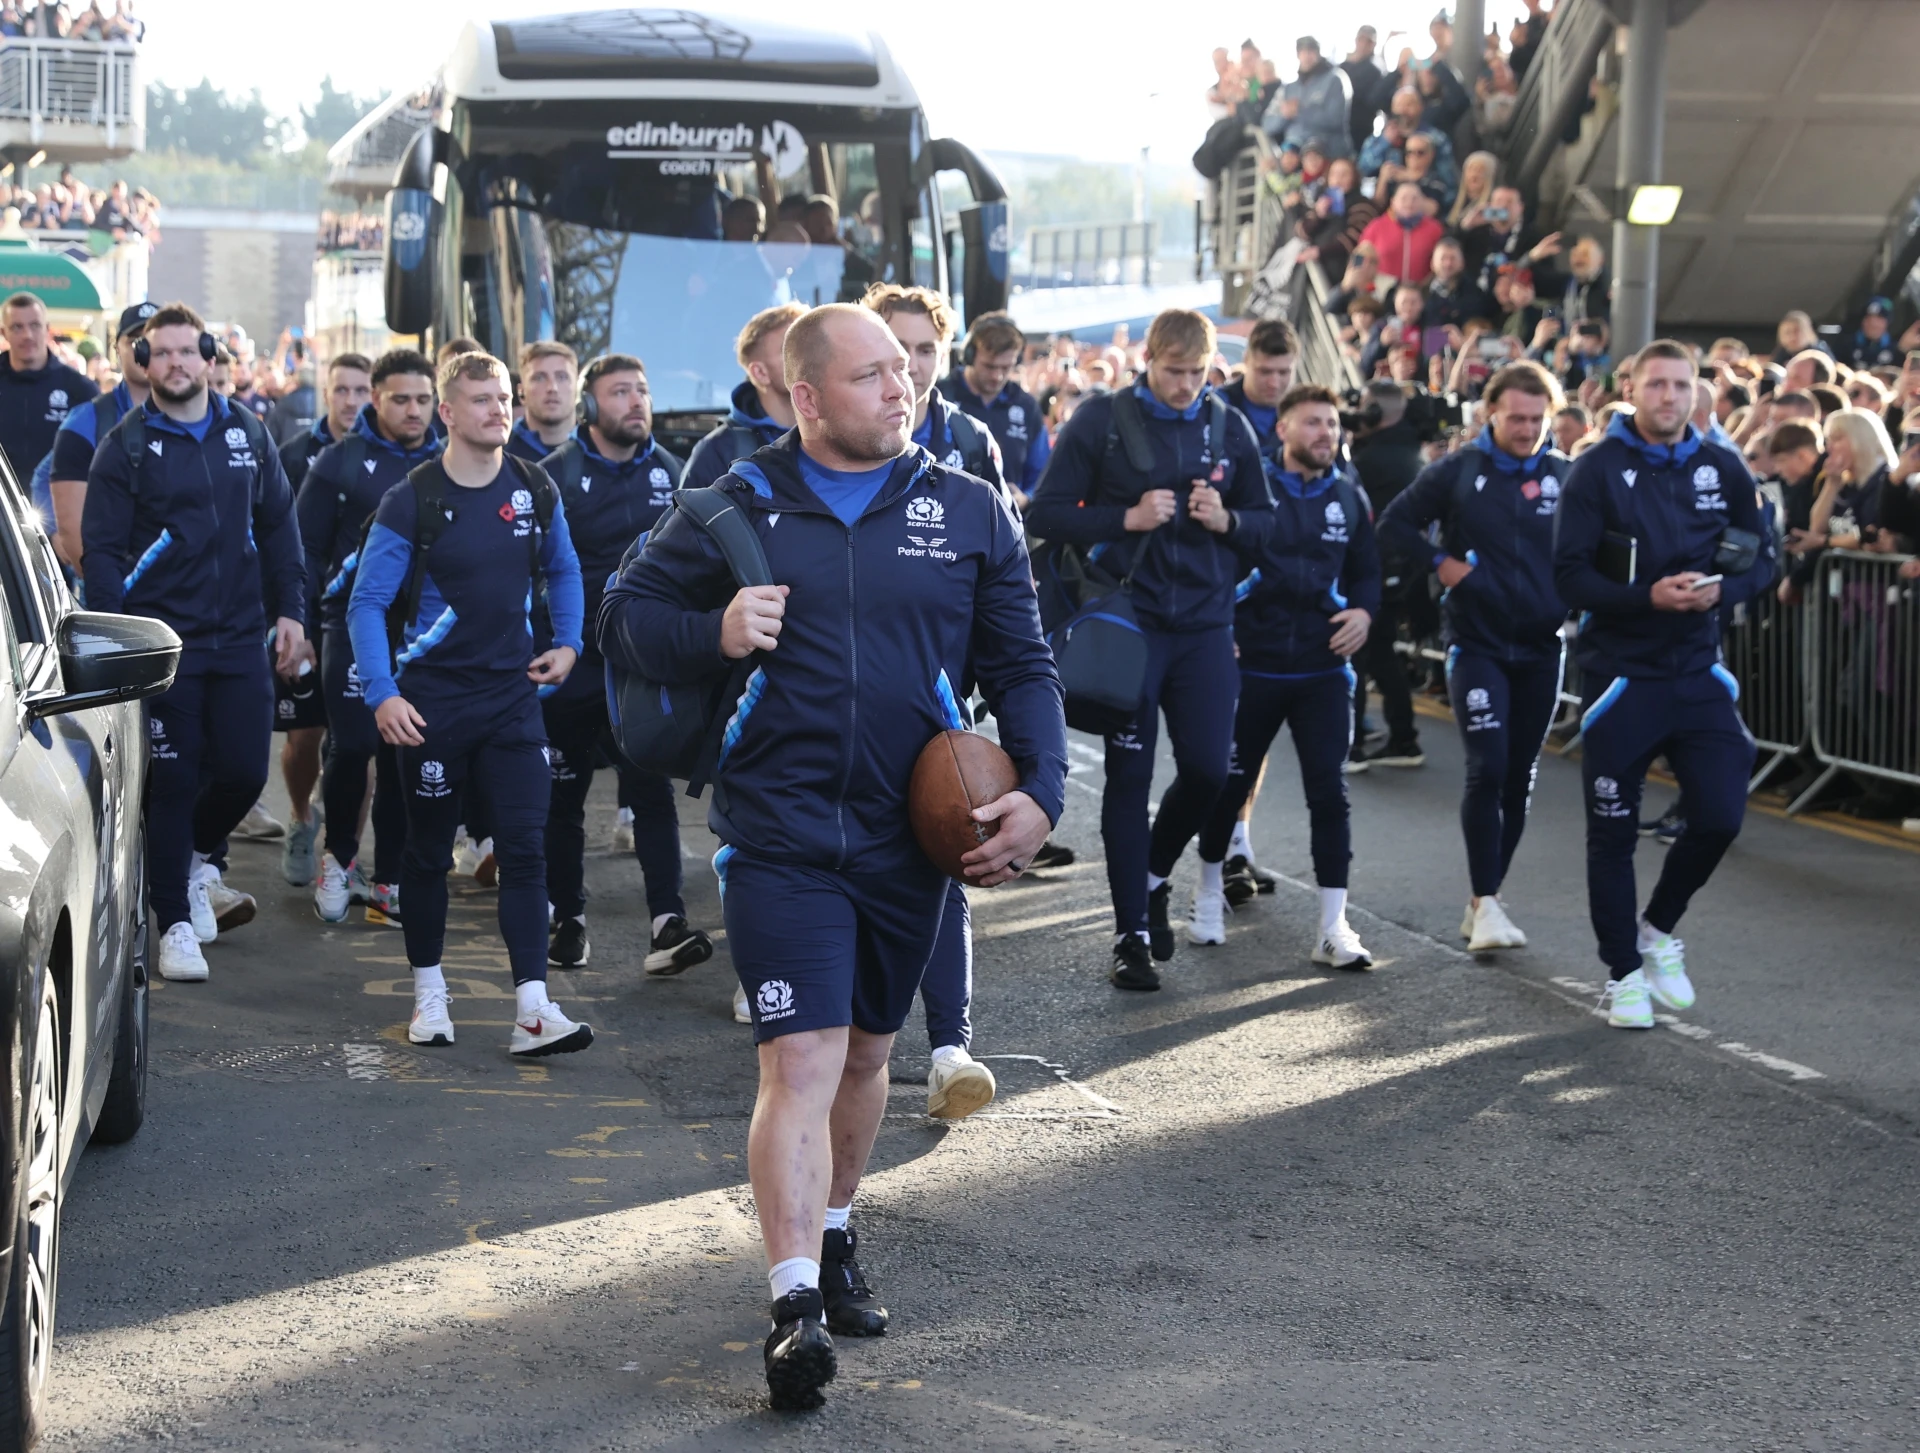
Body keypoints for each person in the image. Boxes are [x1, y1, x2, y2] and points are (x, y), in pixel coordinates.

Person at [599, 303, 1064, 1410]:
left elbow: (1027, 664)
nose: (899, 389)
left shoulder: (967, 510)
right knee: (797, 1060)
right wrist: (713, 632)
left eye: (904, 371)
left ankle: (839, 1226)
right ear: (805, 397)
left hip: (911, 838)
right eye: (869, 375)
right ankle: (794, 1303)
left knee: (865, 1056)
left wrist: (1042, 793)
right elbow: (626, 615)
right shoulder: (733, 505)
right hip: (779, 831)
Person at [346, 348, 591, 1057]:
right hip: (431, 708)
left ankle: (534, 1010)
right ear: (448, 413)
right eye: (483, 400)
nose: (500, 411)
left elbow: (564, 567)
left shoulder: (534, 487)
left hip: (513, 701)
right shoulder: (412, 498)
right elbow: (368, 604)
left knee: (524, 849)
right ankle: (431, 995)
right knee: (427, 855)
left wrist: (569, 642)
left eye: (505, 398)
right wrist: (384, 693)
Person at [1027, 309, 1272, 991]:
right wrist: (1124, 518)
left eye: (1198, 374)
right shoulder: (1102, 420)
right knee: (1128, 781)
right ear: (1149, 362)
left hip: (1203, 628)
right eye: (1174, 372)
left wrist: (1227, 519)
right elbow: (1043, 513)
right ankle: (1130, 931)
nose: (1186, 386)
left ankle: (1157, 874)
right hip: (1127, 626)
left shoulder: (1227, 425)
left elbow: (1267, 524)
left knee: (1208, 770)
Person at [1553, 340, 1778, 1029]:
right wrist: (1649, 595)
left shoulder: (1721, 463)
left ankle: (1657, 931)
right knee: (1613, 834)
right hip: (1621, 675)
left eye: (1682, 386)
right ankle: (1621, 972)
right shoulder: (1595, 470)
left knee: (1720, 813)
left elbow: (1763, 555)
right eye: (1658, 385)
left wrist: (1722, 592)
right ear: (1632, 388)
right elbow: (1568, 577)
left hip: (1698, 669)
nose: (1670, 397)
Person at [81, 303, 308, 984]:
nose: (176, 363)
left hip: (240, 636)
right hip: (161, 643)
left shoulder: (249, 432)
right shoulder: (124, 444)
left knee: (243, 770)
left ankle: (203, 858)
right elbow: (103, 553)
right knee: (174, 779)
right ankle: (175, 921)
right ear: (144, 361)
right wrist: (114, 640)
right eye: (162, 352)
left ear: (210, 358)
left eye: (188, 351)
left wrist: (291, 611)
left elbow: (278, 529)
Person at [862, 281, 1008, 1118]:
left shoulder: (970, 443)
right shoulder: (830, 443)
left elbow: (1004, 582)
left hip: (944, 704)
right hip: (845, 707)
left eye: (924, 351)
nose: (909, 368)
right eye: (894, 348)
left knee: (944, 855)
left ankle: (950, 1048)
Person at [1378, 362, 1571, 950]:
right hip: (1477, 644)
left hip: (1542, 646)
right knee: (1487, 767)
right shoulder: (1459, 471)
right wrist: (1445, 565)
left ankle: (1485, 897)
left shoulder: (1568, 475)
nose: (1528, 429)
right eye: (1517, 417)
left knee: (1519, 776)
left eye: (1538, 419)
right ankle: (1486, 902)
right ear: (1491, 412)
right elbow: (1394, 524)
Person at [536, 352, 717, 978]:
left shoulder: (671, 472)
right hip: (572, 663)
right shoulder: (554, 475)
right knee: (564, 797)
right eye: (620, 392)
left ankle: (667, 923)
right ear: (591, 405)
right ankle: (568, 920)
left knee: (651, 791)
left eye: (641, 390)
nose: (636, 402)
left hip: (638, 668)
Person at [1188, 383, 1378, 964]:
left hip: (1322, 671)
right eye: (1313, 423)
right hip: (1254, 666)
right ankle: (1207, 889)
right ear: (1284, 429)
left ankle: (1333, 926)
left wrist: (1365, 613)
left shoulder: (1349, 498)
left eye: (1332, 424)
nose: (1327, 433)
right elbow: (1215, 562)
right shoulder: (1255, 487)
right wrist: (1224, 630)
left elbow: (1367, 571)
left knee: (1330, 793)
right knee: (1229, 783)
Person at [298, 348, 441, 926]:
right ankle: (337, 858)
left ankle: (391, 881)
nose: (413, 410)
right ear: (375, 398)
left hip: (423, 633)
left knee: (403, 753)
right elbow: (303, 548)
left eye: (423, 400)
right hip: (350, 621)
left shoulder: (450, 463)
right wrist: (300, 626)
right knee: (353, 745)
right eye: (401, 399)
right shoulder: (339, 461)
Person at [1348, 380, 1428, 768]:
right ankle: (1403, 738)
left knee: (1358, 652)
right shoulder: (1411, 450)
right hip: (1401, 571)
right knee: (1380, 652)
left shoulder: (1370, 461)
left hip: (1373, 569)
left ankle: (1354, 743)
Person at [45, 300, 153, 569]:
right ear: (117, 348)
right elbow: (44, 476)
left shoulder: (202, 417)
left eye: (153, 339)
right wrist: (59, 534)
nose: (145, 349)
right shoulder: (89, 419)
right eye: (135, 339)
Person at [683, 302, 808, 492]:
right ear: (760, 373)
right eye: (790, 347)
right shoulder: (717, 452)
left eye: (809, 343)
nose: (809, 354)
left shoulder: (839, 428)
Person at [939, 311, 1050, 502]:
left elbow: (1042, 474)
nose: (997, 376)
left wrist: (1026, 498)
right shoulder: (939, 397)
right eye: (989, 366)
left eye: (1006, 367)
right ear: (969, 355)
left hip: (1005, 522)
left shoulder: (1027, 407)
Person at [0, 291, 97, 484]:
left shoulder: (79, 389)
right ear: (4, 333)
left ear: (47, 329)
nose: (27, 335)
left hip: (57, 509)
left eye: (34, 326)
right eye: (17, 327)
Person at [281, 352, 372, 491]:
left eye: (361, 391)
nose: (351, 402)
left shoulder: (390, 454)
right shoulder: (293, 454)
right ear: (325, 395)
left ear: (375, 397)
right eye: (341, 390)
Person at [1220, 318, 1298, 462]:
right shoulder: (1215, 408)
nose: (1274, 383)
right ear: (1246, 360)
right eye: (1265, 372)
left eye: (1283, 373)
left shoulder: (1312, 416)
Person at [1264, 36, 1352, 158]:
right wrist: (1284, 115)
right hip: (1295, 156)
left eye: (1311, 51)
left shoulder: (1335, 79)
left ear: (1318, 53)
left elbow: (1335, 119)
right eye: (1303, 51)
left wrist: (1300, 110)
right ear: (1298, 54)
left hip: (1327, 154)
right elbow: (1267, 124)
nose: (1307, 56)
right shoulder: (1288, 88)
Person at [1357, 183, 1446, 287]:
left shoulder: (1435, 229)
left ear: (1422, 202)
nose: (1409, 203)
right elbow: (1359, 255)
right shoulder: (1376, 227)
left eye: (1415, 199)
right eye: (1404, 198)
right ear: (1393, 202)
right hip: (1381, 290)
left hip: (1421, 291)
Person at [508, 340, 578, 460]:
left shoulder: (601, 449)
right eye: (539, 378)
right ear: (521, 391)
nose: (552, 388)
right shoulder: (500, 454)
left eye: (562, 377)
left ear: (577, 387)